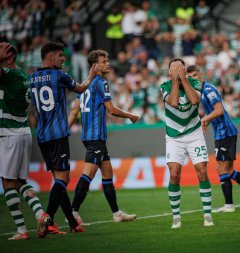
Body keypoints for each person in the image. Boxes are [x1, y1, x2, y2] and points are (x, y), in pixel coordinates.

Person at [29, 41, 97, 233]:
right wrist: (90, 76)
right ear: (49, 57)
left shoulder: (32, 78)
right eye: (60, 55)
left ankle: (73, 224)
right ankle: (47, 219)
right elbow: (82, 89)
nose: (63, 58)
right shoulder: (60, 76)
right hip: (58, 134)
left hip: (42, 136)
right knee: (63, 179)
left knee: (59, 179)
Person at [68, 49, 139, 223]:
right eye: (103, 61)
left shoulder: (83, 84)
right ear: (95, 65)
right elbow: (111, 109)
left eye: (107, 60)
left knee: (107, 173)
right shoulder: (100, 82)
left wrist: (64, 130)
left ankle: (116, 213)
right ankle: (73, 213)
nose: (107, 63)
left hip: (88, 135)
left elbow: (75, 110)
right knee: (88, 174)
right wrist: (130, 115)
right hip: (95, 136)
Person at [186, 65, 240, 212]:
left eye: (194, 75)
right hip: (221, 133)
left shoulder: (209, 90)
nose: (193, 78)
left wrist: (204, 119)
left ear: (200, 75)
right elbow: (213, 112)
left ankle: (230, 205)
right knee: (228, 170)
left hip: (226, 132)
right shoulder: (201, 92)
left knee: (221, 168)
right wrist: (207, 121)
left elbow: (219, 110)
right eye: (190, 77)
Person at [0, 42, 51, 240]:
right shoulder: (22, 75)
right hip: (23, 132)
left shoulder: (9, 74)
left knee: (7, 182)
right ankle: (41, 214)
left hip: (9, 134)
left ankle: (22, 231)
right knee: (21, 181)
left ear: (10, 57)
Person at [160, 58, 213, 228]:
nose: (176, 71)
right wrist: (176, 80)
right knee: (174, 173)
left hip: (194, 133)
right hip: (174, 135)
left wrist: (183, 78)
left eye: (179, 68)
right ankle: (176, 217)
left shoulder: (195, 82)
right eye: (173, 69)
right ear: (169, 72)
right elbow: (174, 103)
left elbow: (195, 101)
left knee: (202, 171)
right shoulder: (165, 86)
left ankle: (208, 215)